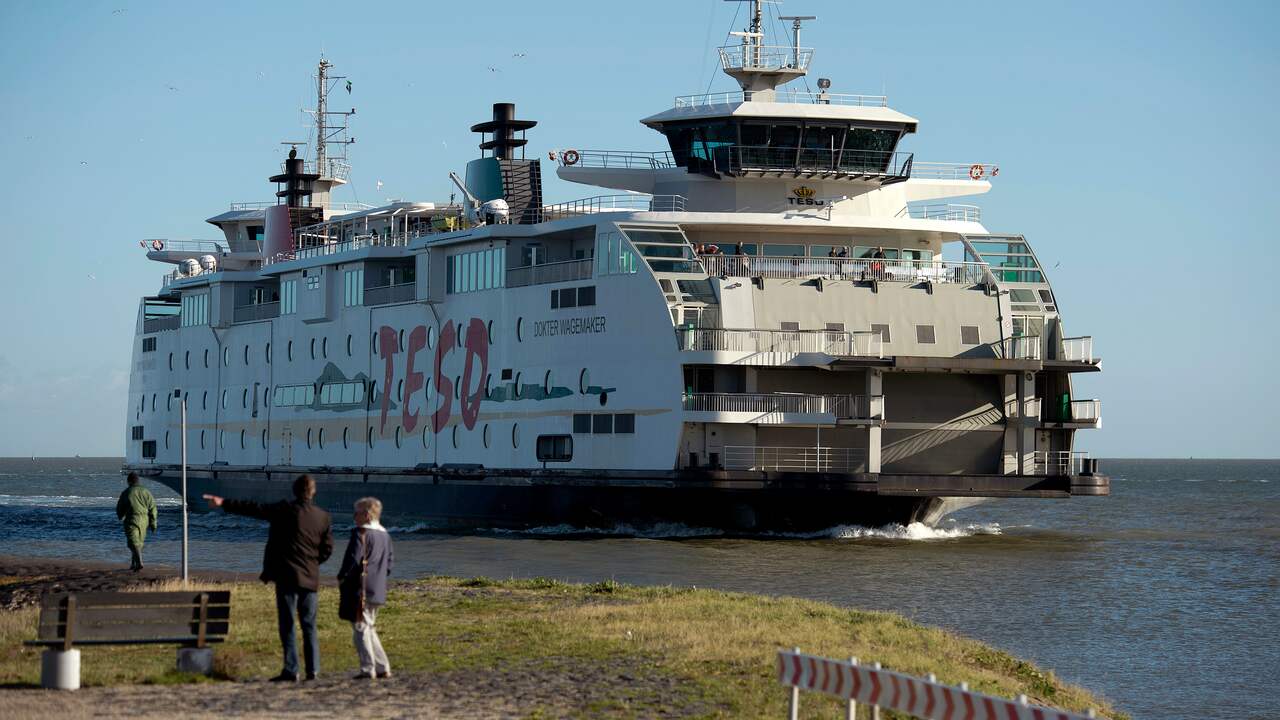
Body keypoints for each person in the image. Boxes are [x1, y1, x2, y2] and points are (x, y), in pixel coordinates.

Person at [204, 475, 333, 682]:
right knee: (309, 625)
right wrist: (312, 564)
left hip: (287, 577)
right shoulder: (323, 517)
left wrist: (223, 502)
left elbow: (254, 509)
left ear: (294, 490)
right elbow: (327, 549)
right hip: (310, 579)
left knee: (288, 624)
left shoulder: (284, 510)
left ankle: (291, 670)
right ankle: (313, 670)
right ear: (313, 492)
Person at [338, 497, 394, 680]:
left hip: (360, 588)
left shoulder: (360, 534)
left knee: (361, 628)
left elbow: (352, 560)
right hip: (377, 588)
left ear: (367, 515)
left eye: (357, 512)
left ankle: (368, 668)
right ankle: (382, 666)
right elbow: (389, 564)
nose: (354, 516)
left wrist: (342, 578)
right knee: (369, 627)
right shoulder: (385, 535)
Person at [115, 472, 157, 572]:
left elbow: (120, 507)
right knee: (139, 543)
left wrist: (120, 516)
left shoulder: (127, 492)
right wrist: (153, 523)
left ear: (129, 481)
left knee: (133, 542)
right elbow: (153, 508)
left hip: (132, 518)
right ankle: (134, 565)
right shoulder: (146, 492)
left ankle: (140, 563)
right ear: (138, 481)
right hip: (144, 520)